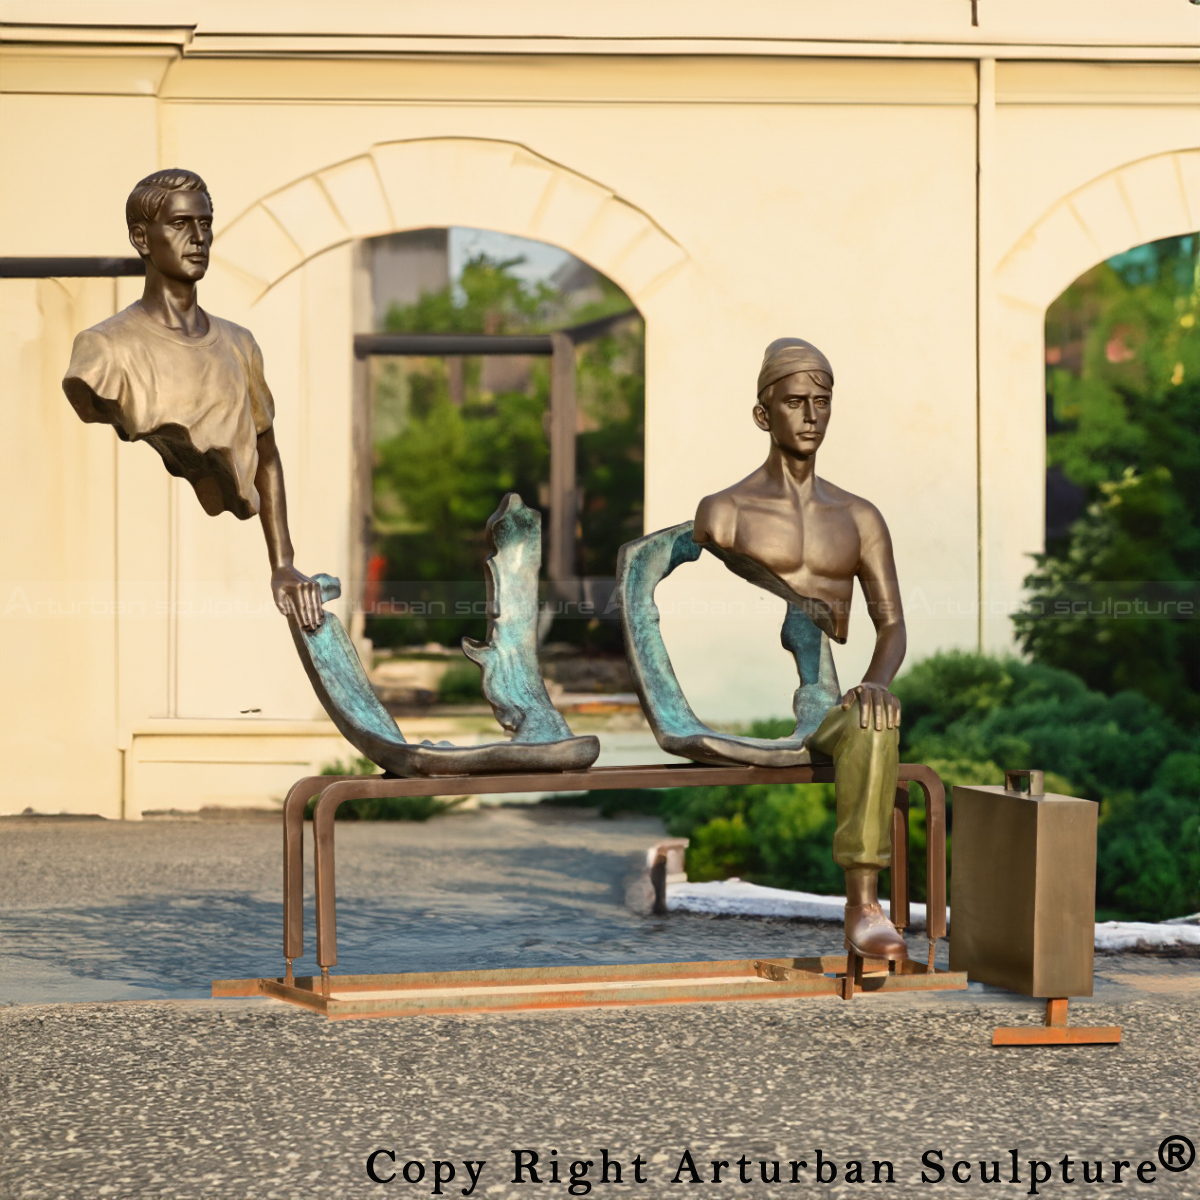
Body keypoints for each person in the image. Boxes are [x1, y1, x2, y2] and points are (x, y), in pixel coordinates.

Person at [693, 337, 908, 960]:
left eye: (822, 401)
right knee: (871, 720)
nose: (811, 416)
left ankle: (864, 904)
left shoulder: (859, 517)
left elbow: (892, 625)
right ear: (764, 415)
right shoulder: (724, 513)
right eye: (795, 402)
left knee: (873, 720)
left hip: (830, 708)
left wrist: (876, 681)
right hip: (781, 710)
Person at [62, 169, 321, 630]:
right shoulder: (105, 350)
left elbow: (267, 454)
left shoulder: (240, 343)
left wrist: (282, 562)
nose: (199, 238)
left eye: (205, 224)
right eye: (181, 225)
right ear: (142, 238)